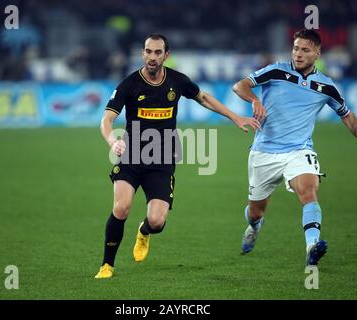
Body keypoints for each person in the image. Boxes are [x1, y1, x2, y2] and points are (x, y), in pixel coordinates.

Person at [95, 34, 260, 279]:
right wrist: (112, 141)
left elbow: (203, 97)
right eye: (148, 52)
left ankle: (144, 230)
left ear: (166, 55)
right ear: (143, 53)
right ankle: (107, 265)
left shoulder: (176, 81)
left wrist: (235, 116)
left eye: (157, 52)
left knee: (157, 221)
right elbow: (107, 119)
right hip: (131, 156)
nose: (152, 57)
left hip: (162, 159)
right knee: (121, 207)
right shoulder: (129, 84)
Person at [232, 29, 357, 266]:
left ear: (317, 53)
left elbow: (348, 116)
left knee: (309, 190)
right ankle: (254, 226)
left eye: (305, 50)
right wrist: (255, 100)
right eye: (295, 48)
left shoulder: (326, 86)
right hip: (264, 152)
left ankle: (312, 246)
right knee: (256, 211)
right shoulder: (276, 70)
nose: (298, 54)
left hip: (299, 150)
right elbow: (240, 86)